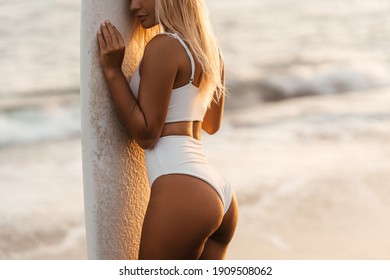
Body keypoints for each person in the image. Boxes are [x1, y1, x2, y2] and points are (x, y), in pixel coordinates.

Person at [97, 0, 238, 260]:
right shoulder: (211, 51)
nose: (132, 6)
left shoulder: (164, 46)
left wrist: (113, 71)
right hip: (220, 194)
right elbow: (211, 125)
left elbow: (147, 134)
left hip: (182, 187)